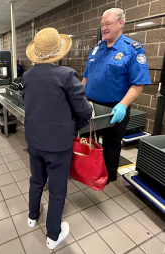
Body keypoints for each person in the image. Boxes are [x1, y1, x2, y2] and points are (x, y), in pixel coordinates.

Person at [23, 28, 92, 250]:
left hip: (33, 139)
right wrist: (76, 124)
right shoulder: (66, 75)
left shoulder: (27, 76)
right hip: (58, 145)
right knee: (57, 188)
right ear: (58, 52)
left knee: (36, 179)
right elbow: (83, 110)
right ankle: (53, 235)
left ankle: (32, 216)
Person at [82, 8, 151, 183]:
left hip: (115, 108)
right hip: (90, 105)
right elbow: (86, 76)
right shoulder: (97, 48)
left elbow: (138, 84)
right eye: (102, 25)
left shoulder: (132, 49)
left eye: (108, 24)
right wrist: (79, 96)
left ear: (120, 23)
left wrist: (122, 105)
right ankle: (87, 170)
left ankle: (109, 176)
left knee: (111, 146)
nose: (104, 28)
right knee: (86, 140)